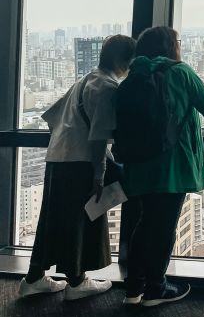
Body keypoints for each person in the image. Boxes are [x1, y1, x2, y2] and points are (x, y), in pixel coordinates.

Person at [119, 26, 204, 307]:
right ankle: (156, 288)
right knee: (163, 227)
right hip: (171, 166)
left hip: (139, 164)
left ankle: (134, 288)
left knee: (144, 223)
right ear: (169, 46)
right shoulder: (180, 72)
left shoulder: (133, 76)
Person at [19, 35, 136, 300]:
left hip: (58, 156)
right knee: (79, 220)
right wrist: (99, 173)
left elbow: (52, 117)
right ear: (121, 60)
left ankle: (34, 277)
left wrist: (67, 140)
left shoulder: (85, 79)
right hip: (80, 162)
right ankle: (76, 281)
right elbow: (98, 136)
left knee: (52, 218)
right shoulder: (107, 87)